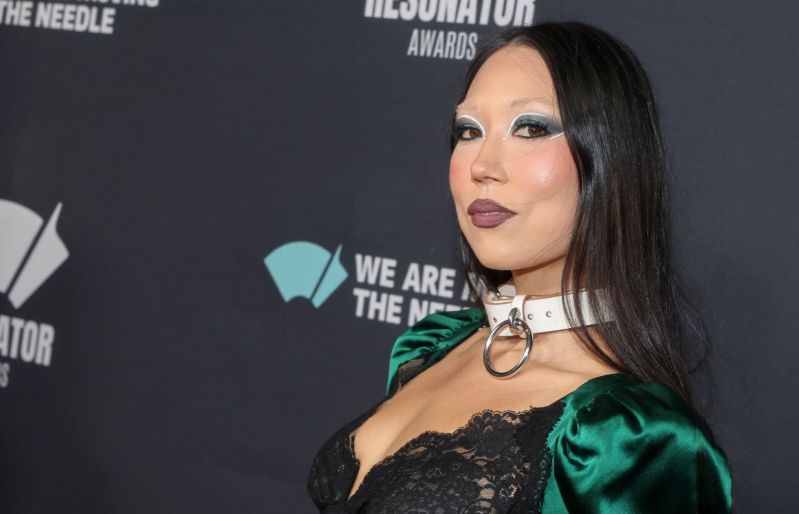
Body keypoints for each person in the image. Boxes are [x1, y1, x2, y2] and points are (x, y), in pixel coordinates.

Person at [307, 21, 733, 513]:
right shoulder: (431, 347)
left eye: (530, 128)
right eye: (469, 131)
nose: (482, 165)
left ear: (611, 158)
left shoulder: (634, 442)